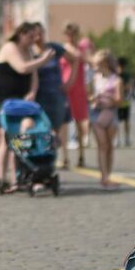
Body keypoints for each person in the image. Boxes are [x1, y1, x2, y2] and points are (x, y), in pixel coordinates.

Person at [0, 23, 43, 194]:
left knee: (18, 137)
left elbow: (34, 74)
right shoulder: (10, 47)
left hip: (21, 101)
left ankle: (16, 178)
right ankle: (1, 179)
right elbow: (22, 67)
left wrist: (33, 92)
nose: (33, 40)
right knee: (5, 138)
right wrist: (45, 59)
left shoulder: (29, 51)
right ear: (21, 34)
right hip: (4, 99)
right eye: (30, 36)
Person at [87, 50, 122, 189]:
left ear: (105, 63)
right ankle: (104, 177)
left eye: (98, 64)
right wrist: (94, 98)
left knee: (109, 146)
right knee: (102, 145)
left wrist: (109, 97)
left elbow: (119, 100)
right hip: (97, 113)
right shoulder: (94, 78)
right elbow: (88, 96)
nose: (95, 67)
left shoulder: (117, 80)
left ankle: (108, 174)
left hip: (111, 113)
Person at [60, 23, 92, 167]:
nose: (71, 36)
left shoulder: (81, 49)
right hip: (64, 87)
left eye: (73, 33)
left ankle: (81, 156)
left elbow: (91, 61)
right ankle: (64, 157)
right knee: (63, 123)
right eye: (68, 33)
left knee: (80, 123)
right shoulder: (61, 49)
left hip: (78, 88)